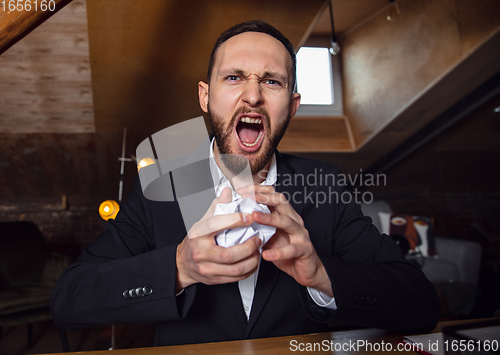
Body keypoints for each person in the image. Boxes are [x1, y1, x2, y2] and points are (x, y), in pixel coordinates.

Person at [50, 20, 440, 346]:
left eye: (272, 82)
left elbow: (420, 301)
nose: (252, 95)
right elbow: (69, 298)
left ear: (293, 104)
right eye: (234, 77)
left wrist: (321, 275)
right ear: (206, 96)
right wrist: (178, 267)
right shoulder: (160, 187)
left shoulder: (326, 185)